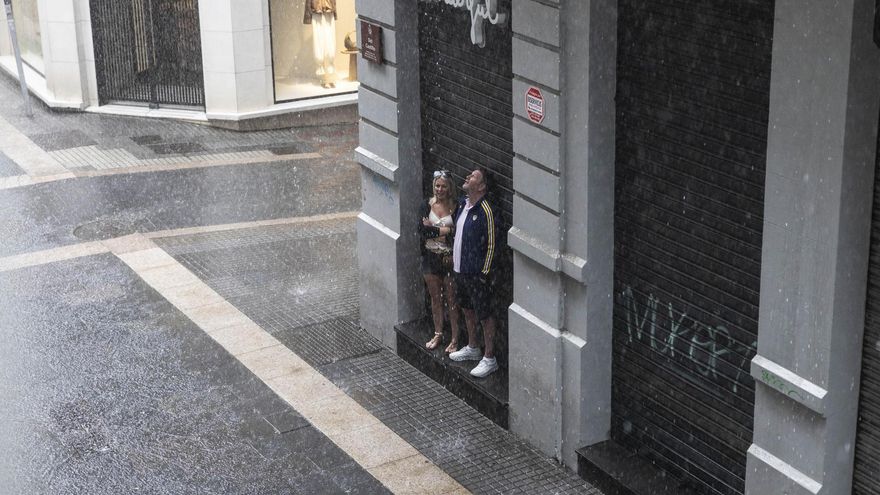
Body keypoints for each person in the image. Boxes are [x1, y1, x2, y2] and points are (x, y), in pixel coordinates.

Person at [448, 168, 501, 378]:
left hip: (477, 274)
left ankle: (489, 357)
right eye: (469, 174)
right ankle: (473, 346)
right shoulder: (462, 204)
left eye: (473, 177)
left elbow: (493, 244)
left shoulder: (486, 210)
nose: (468, 177)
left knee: (484, 314)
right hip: (460, 269)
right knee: (467, 308)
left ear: (481, 187)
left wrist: (484, 273)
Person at [419, 170, 461, 353]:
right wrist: (445, 230)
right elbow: (422, 231)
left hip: (448, 259)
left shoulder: (456, 207)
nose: (440, 189)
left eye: (443, 186)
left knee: (452, 300)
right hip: (430, 257)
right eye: (437, 185)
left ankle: (455, 337)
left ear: (449, 188)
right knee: (436, 298)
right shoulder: (426, 205)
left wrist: (434, 229)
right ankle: (438, 333)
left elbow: (457, 233)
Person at [303, 0, 337, 88]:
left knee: (330, 45)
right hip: (317, 12)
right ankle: (324, 79)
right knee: (319, 44)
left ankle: (330, 79)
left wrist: (335, 10)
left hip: (329, 12)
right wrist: (308, 16)